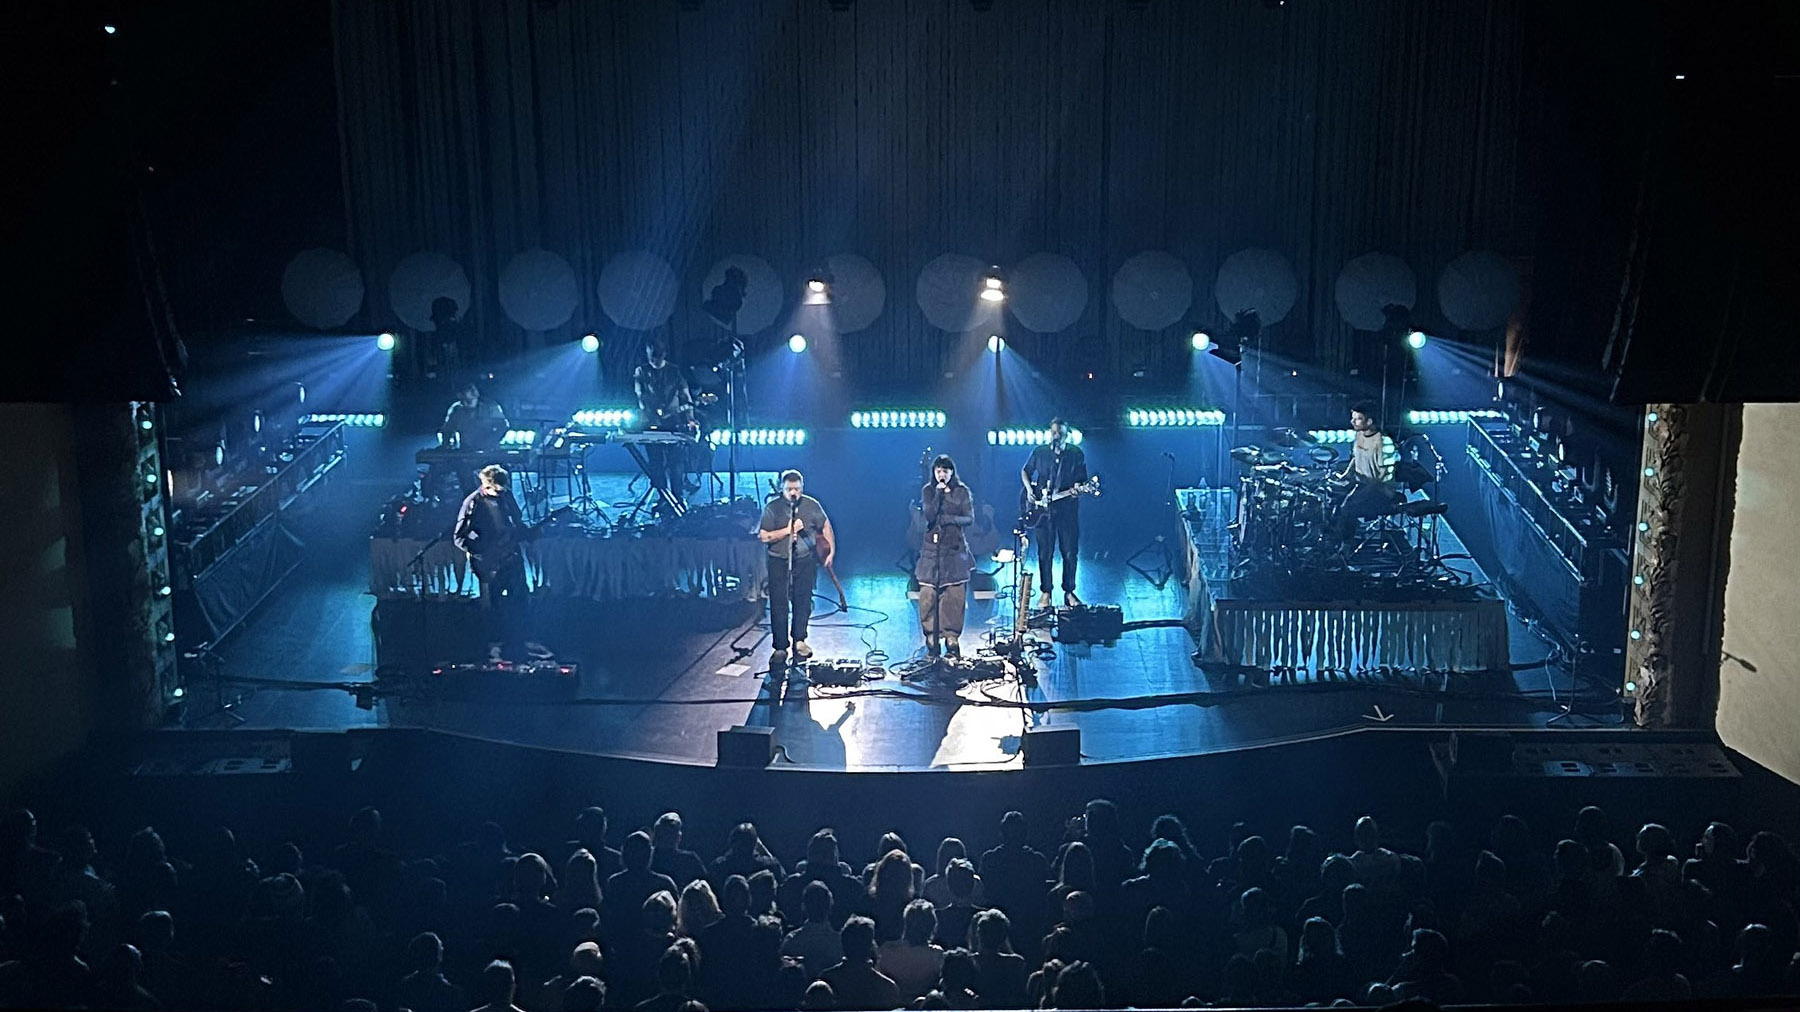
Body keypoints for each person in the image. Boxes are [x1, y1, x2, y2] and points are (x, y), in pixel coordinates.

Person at [454, 465, 546, 662]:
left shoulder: (506, 497)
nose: (501, 493)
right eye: (497, 490)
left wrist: (528, 534)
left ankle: (521, 640)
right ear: (486, 486)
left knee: (520, 598)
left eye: (503, 489)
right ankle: (495, 644)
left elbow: (516, 524)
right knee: (494, 606)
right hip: (490, 563)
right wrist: (483, 552)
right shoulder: (473, 503)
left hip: (511, 557)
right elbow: (459, 538)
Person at [756, 470, 835, 668]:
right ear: (781, 489)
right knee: (779, 603)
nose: (793, 493)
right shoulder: (772, 508)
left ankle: (800, 639)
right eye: (789, 489)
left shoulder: (811, 505)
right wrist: (788, 530)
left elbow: (825, 525)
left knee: (803, 600)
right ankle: (780, 647)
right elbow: (764, 536)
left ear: (802, 488)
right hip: (778, 560)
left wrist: (830, 551)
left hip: (804, 559)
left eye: (797, 489)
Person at [1020, 418, 1088, 609]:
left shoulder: (1076, 454)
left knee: (1070, 552)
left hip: (1067, 510)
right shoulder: (1040, 452)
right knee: (1045, 553)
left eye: (1060, 433)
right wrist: (1029, 491)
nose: (1056, 436)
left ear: (1067, 434)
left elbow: (1082, 480)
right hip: (1043, 511)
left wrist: (1077, 489)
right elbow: (1025, 471)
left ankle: (1069, 591)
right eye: (1054, 432)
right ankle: (1046, 591)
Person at [915, 454, 975, 658]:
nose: (942, 474)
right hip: (932, 548)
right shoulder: (928, 491)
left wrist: (950, 519)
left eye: (945, 471)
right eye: (938, 471)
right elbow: (929, 515)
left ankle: (952, 635)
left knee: (954, 594)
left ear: (952, 472)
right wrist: (938, 495)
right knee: (928, 593)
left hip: (955, 548)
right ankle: (931, 634)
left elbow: (969, 518)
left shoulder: (962, 492)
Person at [634, 341, 695, 512]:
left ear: (664, 354)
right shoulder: (641, 371)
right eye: (651, 354)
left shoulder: (674, 371)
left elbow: (686, 396)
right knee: (656, 462)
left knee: (676, 462)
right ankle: (663, 497)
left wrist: (690, 418)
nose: (654, 359)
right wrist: (648, 412)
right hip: (651, 422)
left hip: (673, 422)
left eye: (657, 355)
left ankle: (678, 497)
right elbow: (640, 395)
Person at [1330, 402, 1401, 541]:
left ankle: (1346, 548)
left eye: (1357, 419)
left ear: (1369, 421)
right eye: (1353, 418)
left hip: (1381, 490)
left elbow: (1382, 476)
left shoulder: (1383, 442)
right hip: (1361, 484)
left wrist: (1359, 492)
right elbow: (1356, 457)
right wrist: (1345, 476)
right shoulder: (1359, 435)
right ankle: (1332, 539)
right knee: (1332, 498)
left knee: (1347, 508)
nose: (1352, 421)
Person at [441, 383, 508, 452]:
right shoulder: (456, 410)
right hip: (466, 451)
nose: (465, 404)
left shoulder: (490, 407)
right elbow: (447, 430)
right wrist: (446, 445)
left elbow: (503, 426)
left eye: (468, 401)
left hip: (489, 451)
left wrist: (491, 442)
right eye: (462, 401)